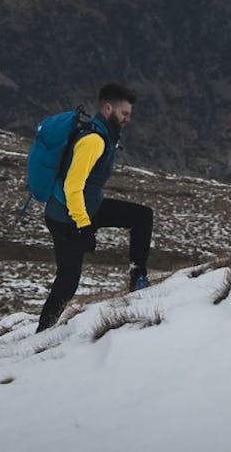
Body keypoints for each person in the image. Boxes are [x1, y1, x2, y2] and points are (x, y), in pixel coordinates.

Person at [36, 82, 154, 332]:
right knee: (68, 281)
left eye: (129, 114)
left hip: (88, 208)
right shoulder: (93, 141)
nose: (128, 119)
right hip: (65, 217)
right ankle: (42, 332)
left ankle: (138, 277)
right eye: (124, 113)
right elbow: (73, 186)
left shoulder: (104, 135)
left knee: (142, 216)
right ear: (108, 108)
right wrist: (83, 225)